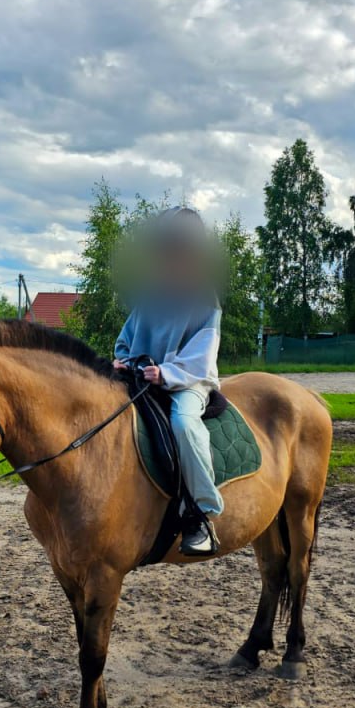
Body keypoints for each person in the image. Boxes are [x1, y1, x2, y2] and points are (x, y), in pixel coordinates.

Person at [112, 207, 224, 556]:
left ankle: (201, 514)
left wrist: (167, 374)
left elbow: (202, 355)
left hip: (189, 379)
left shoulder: (204, 299)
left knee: (183, 423)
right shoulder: (149, 295)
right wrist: (123, 361)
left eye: (176, 250)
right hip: (144, 376)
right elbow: (126, 339)